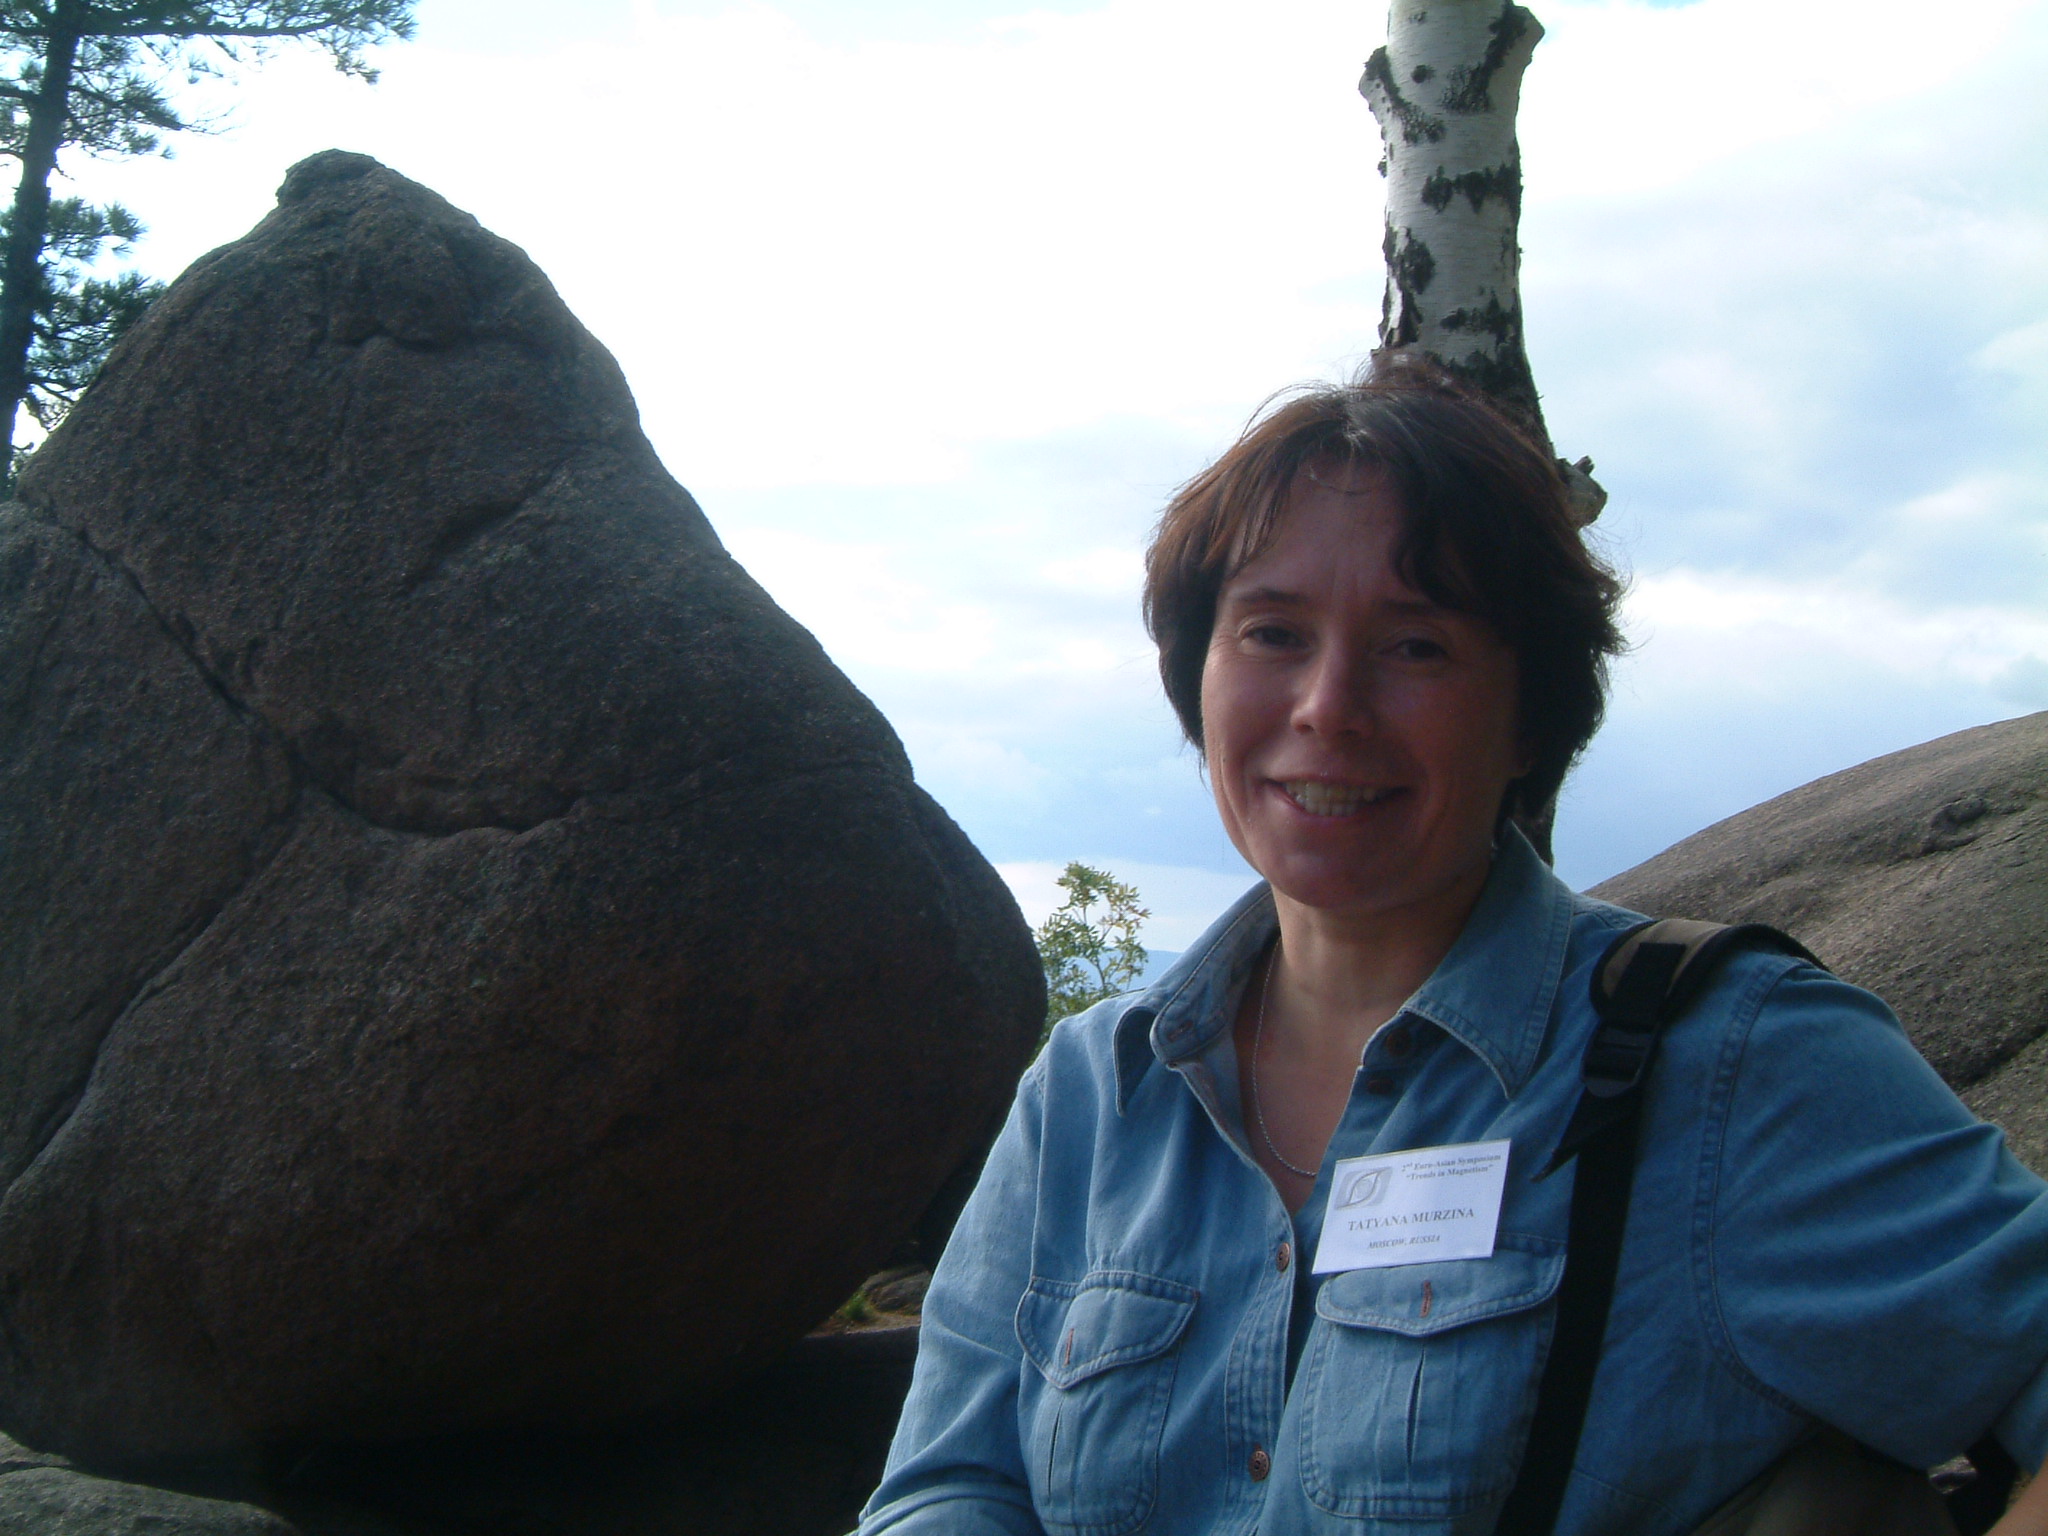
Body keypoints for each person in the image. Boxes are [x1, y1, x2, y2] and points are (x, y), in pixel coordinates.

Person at [857, 356, 2048, 1536]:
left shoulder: (1729, 1062)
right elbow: (949, 1486)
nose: (1327, 706)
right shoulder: (1095, 1089)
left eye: (1416, 646)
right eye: (1272, 632)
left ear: (1529, 715)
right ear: (1195, 676)